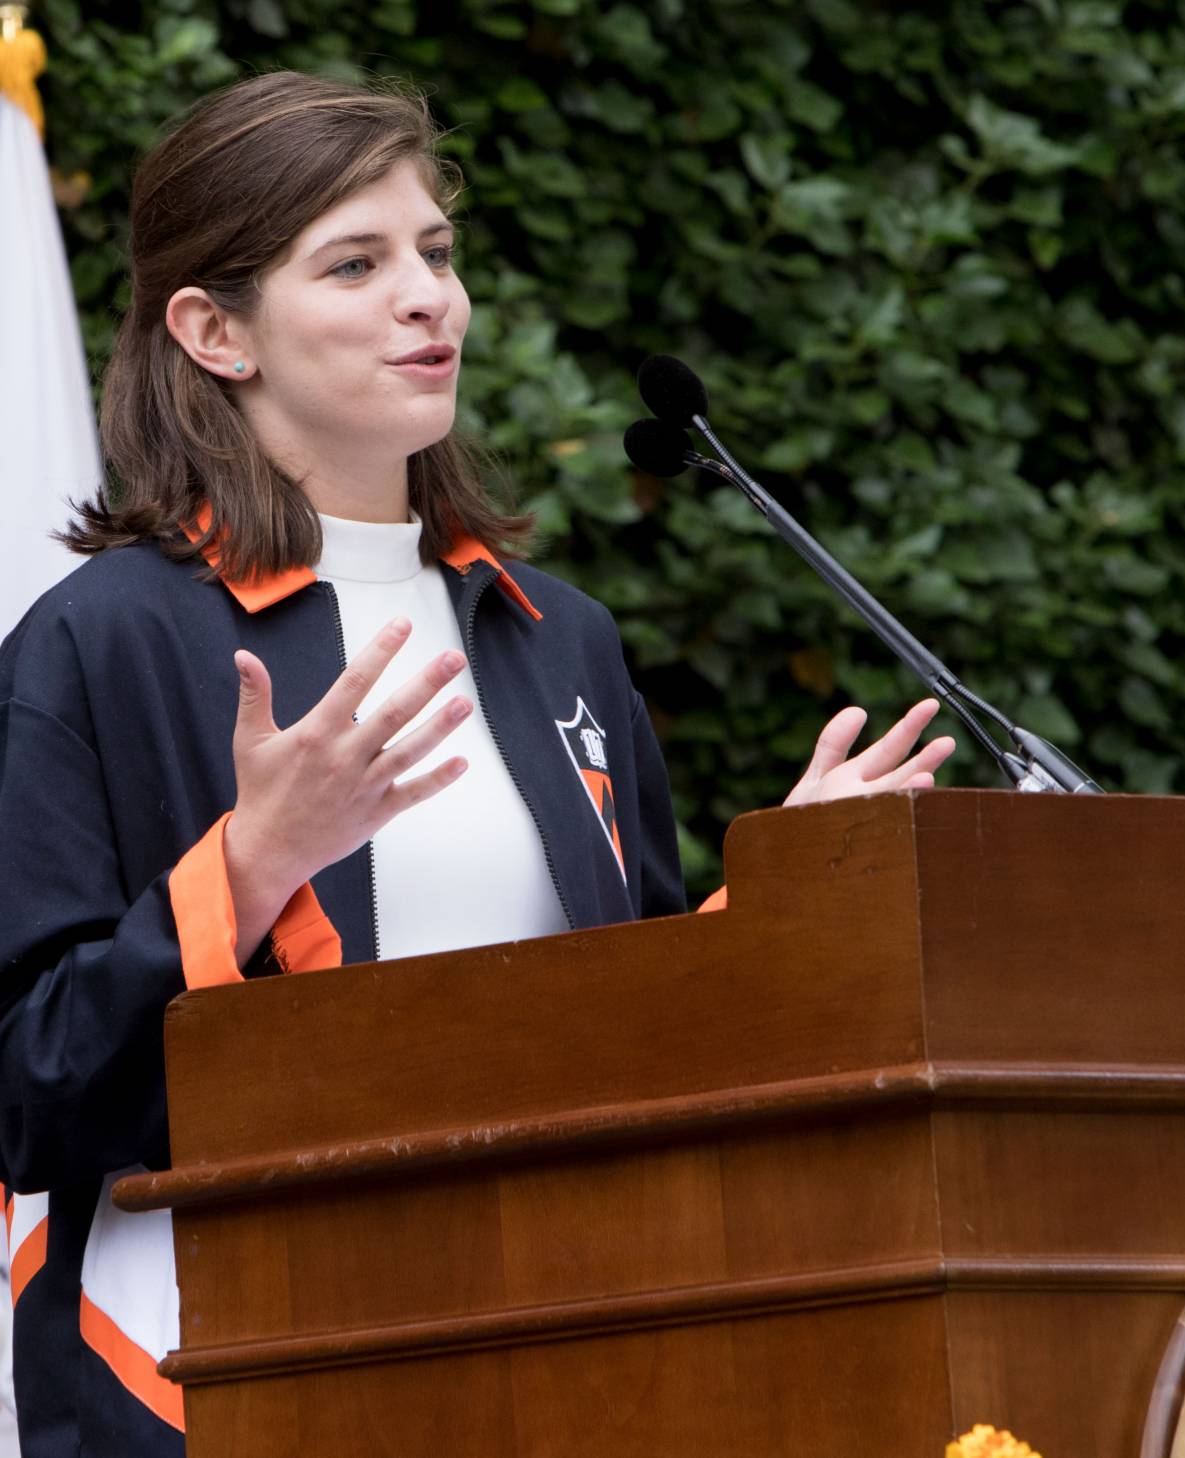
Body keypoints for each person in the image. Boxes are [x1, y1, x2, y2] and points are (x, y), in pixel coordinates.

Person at [0, 71, 954, 1458]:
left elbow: (616, 1038)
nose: (430, 298)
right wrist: (250, 868)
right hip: (223, 1383)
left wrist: (777, 903)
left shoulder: (556, 636)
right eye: (358, 262)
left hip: (565, 1352)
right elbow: (31, 1090)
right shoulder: (98, 642)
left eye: (437, 255)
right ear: (213, 330)